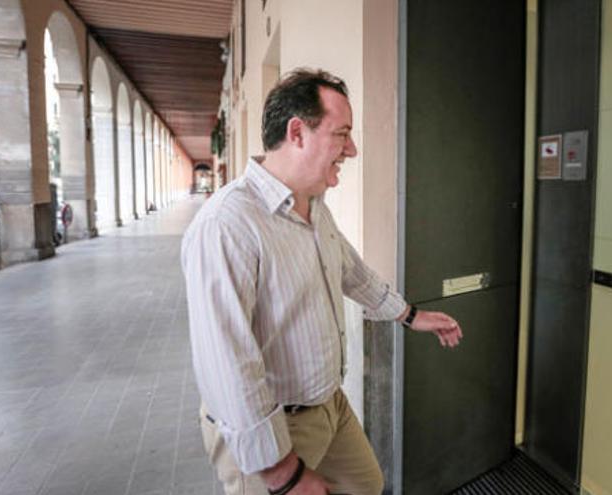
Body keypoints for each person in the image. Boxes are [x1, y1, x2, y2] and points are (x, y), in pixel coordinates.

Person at [181, 68, 463, 495]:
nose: (351, 149)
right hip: (272, 429)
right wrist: (282, 474)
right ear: (297, 132)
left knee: (367, 484)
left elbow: (351, 271)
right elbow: (227, 365)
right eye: (342, 134)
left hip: (328, 405)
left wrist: (410, 315)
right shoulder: (227, 224)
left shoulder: (313, 206)